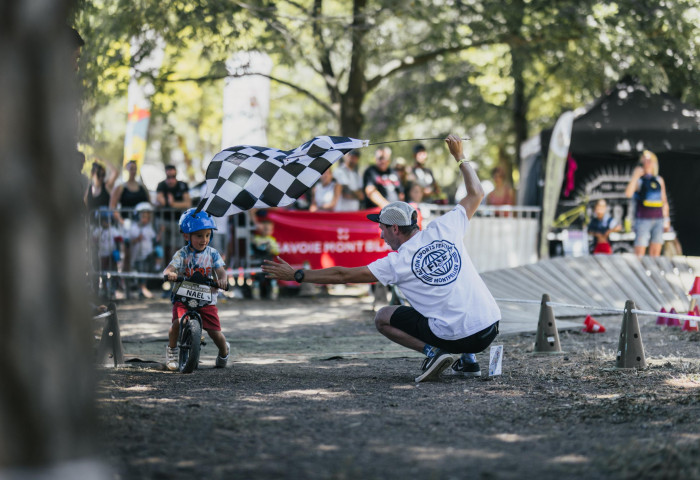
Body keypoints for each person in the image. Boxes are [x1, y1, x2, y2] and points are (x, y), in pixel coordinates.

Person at [262, 134, 501, 382]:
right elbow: (477, 192)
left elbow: (343, 274)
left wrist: (298, 274)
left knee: (382, 317)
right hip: (490, 326)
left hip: (457, 336)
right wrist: (459, 156)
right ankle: (468, 360)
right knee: (446, 300)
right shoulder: (445, 227)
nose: (380, 233)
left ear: (395, 229)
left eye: (383, 228)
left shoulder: (396, 262)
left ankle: (434, 353)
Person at [163, 209, 230, 371]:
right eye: (199, 236)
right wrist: (170, 274)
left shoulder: (213, 254)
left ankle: (224, 351)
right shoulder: (182, 254)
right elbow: (169, 269)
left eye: (207, 235)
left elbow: (221, 271)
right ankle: (172, 351)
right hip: (183, 296)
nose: (204, 240)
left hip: (206, 297)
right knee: (177, 323)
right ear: (187, 236)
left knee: (215, 332)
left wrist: (222, 280)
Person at [625, 150, 670, 257]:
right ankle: (639, 272)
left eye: (650, 160)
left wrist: (666, 220)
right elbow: (628, 194)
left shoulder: (659, 179)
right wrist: (635, 176)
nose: (647, 162)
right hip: (643, 219)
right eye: (644, 160)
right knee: (640, 251)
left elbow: (664, 201)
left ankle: (652, 272)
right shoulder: (639, 180)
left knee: (656, 251)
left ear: (654, 163)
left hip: (658, 219)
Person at [156, 164, 192, 261]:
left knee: (178, 248)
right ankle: (166, 270)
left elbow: (188, 203)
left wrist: (173, 204)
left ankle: (177, 269)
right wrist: (167, 202)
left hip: (178, 222)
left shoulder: (182, 185)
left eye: (173, 177)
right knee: (164, 247)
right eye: (169, 177)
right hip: (164, 222)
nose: (171, 180)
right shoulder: (161, 185)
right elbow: (160, 200)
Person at [129, 202, 158, 298]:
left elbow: (154, 239)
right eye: (143, 216)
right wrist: (137, 239)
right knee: (140, 271)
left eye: (148, 216)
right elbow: (129, 242)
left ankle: (143, 288)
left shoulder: (149, 228)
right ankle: (142, 288)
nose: (146, 219)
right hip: (137, 255)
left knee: (146, 271)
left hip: (147, 254)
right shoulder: (133, 228)